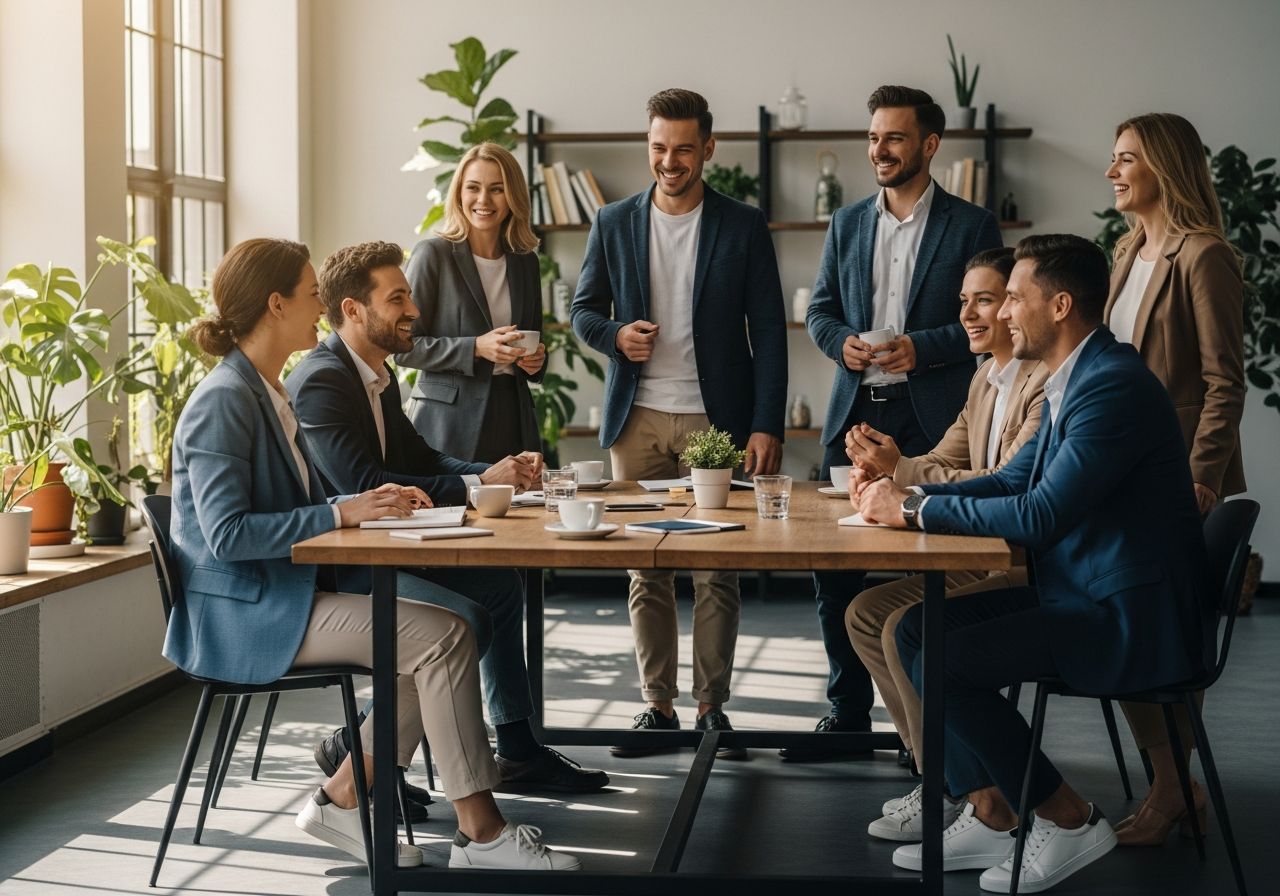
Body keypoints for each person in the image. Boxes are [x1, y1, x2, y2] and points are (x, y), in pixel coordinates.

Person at [166, 237, 579, 872]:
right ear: (276, 305)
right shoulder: (225, 400)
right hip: (248, 612)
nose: (321, 306)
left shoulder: (265, 390)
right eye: (311, 295)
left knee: (448, 632)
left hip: (287, 592)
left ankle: (345, 799)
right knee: (442, 638)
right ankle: (482, 833)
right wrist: (340, 510)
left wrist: (357, 507)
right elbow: (226, 536)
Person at [856, 234, 1212, 893]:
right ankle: (991, 810)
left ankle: (1069, 817)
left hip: (1122, 614)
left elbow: (1041, 514)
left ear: (1061, 305)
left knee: (945, 657)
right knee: (912, 630)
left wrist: (912, 514)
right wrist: (913, 495)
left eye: (1015, 298)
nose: (1004, 313)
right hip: (1080, 591)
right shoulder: (1079, 376)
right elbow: (1011, 480)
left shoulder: (1110, 388)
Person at [287, 240, 608, 795]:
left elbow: (423, 459)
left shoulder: (376, 377)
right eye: (398, 299)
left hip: (389, 549)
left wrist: (495, 472)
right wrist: (480, 482)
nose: (413, 310)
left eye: (409, 296)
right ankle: (365, 757)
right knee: (465, 619)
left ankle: (518, 749)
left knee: (500, 588)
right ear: (353, 310)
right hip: (347, 569)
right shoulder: (322, 380)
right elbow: (363, 487)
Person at [571, 88, 787, 758]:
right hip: (636, 417)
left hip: (714, 420)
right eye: (659, 147)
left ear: (708, 149)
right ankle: (656, 706)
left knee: (716, 567)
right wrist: (614, 336)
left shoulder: (742, 225)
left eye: (683, 149)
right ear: (650, 145)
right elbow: (582, 311)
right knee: (645, 567)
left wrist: (765, 422)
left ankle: (710, 709)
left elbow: (771, 332)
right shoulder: (613, 221)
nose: (669, 160)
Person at [793, 85, 1002, 761]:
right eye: (874, 138)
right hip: (855, 414)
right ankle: (847, 711)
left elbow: (988, 318)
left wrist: (923, 348)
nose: (879, 150)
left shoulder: (970, 226)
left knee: (935, 565)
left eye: (895, 138)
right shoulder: (848, 222)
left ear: (930, 145)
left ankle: (928, 730)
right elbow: (821, 310)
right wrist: (840, 342)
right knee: (833, 570)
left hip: (936, 422)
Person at [843, 247, 1048, 841]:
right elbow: (941, 462)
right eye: (964, 301)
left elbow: (1003, 484)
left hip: (1018, 562)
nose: (969, 314)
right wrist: (889, 466)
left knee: (900, 625)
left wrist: (902, 481)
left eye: (985, 299)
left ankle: (972, 794)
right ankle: (944, 777)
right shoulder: (985, 376)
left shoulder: (1040, 385)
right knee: (865, 614)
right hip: (978, 552)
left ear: (1014, 305)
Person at [1103, 112, 1246, 846]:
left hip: (1173, 483)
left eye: (1126, 158)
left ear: (1164, 165)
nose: (1112, 171)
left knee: (1155, 637)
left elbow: (1225, 383)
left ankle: (1169, 790)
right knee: (1118, 622)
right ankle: (1172, 783)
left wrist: (1200, 478)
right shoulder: (1127, 251)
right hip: (1117, 479)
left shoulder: (1204, 255)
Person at [397, 142, 545, 463]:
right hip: (448, 424)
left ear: (513, 196)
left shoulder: (525, 263)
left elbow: (534, 343)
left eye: (497, 189)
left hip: (513, 418)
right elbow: (402, 346)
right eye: (473, 188)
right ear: (459, 193)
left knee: (523, 512)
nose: (483, 200)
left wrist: (535, 361)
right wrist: (475, 348)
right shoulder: (433, 255)